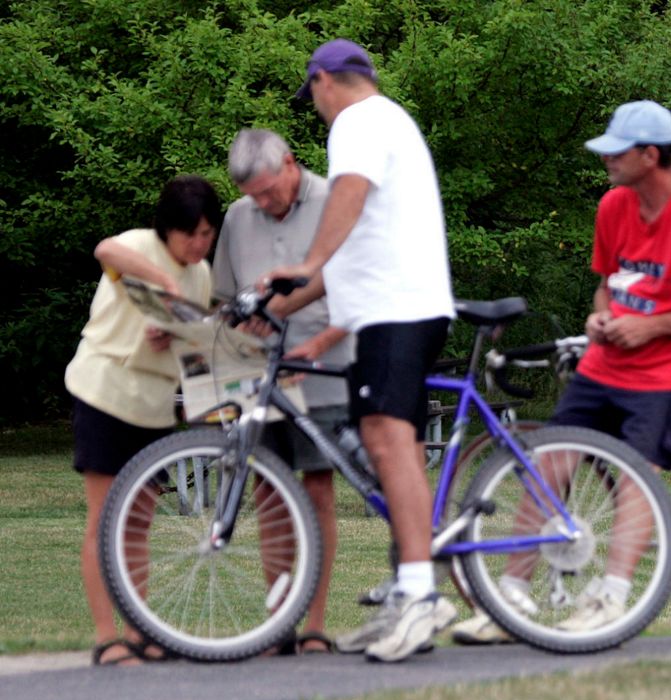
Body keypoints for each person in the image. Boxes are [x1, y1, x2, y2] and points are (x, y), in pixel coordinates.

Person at [451, 99, 671, 644]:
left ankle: (610, 597)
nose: (606, 158)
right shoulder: (614, 206)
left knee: (637, 470)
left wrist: (653, 328)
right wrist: (602, 314)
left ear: (650, 154)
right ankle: (511, 602)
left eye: (617, 150)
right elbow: (609, 283)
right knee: (549, 460)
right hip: (608, 360)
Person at [265, 38, 456, 662]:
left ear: (323, 80)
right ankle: (410, 589)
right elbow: (352, 244)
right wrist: (280, 306)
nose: (315, 108)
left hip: (399, 309)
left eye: (311, 95)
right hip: (391, 308)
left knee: (386, 437)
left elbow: (345, 196)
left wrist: (308, 257)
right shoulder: (384, 122)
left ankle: (421, 594)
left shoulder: (359, 120)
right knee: (381, 436)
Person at [64, 175, 221, 665]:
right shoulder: (139, 245)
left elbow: (194, 344)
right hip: (106, 392)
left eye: (207, 234)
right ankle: (107, 638)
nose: (199, 244)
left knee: (138, 524)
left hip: (154, 407)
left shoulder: (203, 274)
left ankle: (141, 631)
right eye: (190, 234)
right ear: (167, 229)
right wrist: (167, 284)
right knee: (104, 518)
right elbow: (105, 249)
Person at [213, 128, 354, 655]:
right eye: (253, 196)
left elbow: (349, 279)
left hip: (323, 362)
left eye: (269, 192)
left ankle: (314, 624)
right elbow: (225, 297)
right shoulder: (236, 217)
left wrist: (296, 326)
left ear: (290, 164)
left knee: (317, 487)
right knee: (268, 491)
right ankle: (278, 624)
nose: (263, 203)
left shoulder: (332, 201)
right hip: (258, 373)